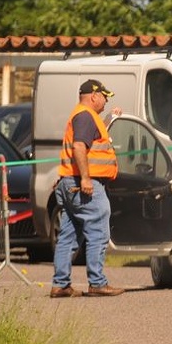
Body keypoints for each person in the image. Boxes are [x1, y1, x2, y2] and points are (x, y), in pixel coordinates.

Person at [51, 79, 125, 298]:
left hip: (68, 182)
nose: (105, 101)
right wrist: (85, 179)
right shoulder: (85, 116)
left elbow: (92, 140)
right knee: (98, 231)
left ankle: (61, 284)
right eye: (104, 97)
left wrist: (110, 117)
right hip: (84, 183)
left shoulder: (83, 116)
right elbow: (80, 146)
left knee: (68, 235)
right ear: (93, 96)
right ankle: (97, 283)